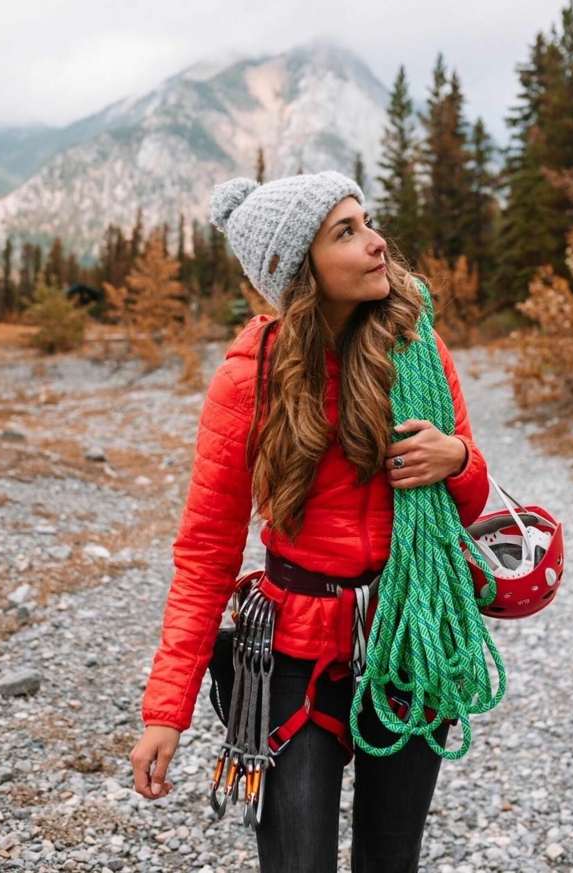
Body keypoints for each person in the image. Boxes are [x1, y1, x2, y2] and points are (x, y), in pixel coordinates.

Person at [130, 170, 490, 872]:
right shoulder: (248, 380)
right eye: (345, 232)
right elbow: (207, 552)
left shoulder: (417, 351)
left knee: (391, 858)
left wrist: (459, 460)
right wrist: (164, 710)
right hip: (291, 651)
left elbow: (473, 510)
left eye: (368, 221)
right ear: (300, 271)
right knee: (298, 861)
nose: (377, 243)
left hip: (407, 635)